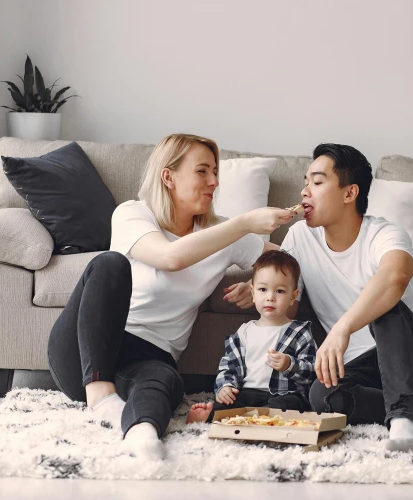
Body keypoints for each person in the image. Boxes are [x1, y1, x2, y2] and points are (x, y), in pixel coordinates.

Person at [46, 133, 294, 460]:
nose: (214, 181)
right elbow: (170, 258)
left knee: (163, 380)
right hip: (85, 355)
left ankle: (142, 434)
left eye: (215, 172)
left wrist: (260, 282)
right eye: (203, 171)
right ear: (169, 176)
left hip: (152, 355)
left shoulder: (222, 235)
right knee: (108, 264)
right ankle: (101, 400)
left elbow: (289, 262)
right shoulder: (132, 214)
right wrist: (246, 221)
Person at [280, 143, 413, 452]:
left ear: (349, 193)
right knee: (322, 397)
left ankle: (403, 420)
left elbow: (395, 278)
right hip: (363, 370)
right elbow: (282, 290)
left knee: (384, 305)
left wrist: (343, 328)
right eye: (304, 182)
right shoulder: (300, 237)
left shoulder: (385, 234)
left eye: (316, 182)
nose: (304, 191)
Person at [186, 250, 316, 424]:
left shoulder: (300, 332)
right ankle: (208, 416)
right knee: (228, 403)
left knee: (291, 406)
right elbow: (229, 365)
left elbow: (311, 372)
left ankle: (259, 419)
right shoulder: (244, 332)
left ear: (293, 296)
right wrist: (226, 387)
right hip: (248, 393)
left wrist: (289, 364)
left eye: (280, 291)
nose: (270, 297)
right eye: (263, 289)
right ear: (253, 293)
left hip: (283, 395)